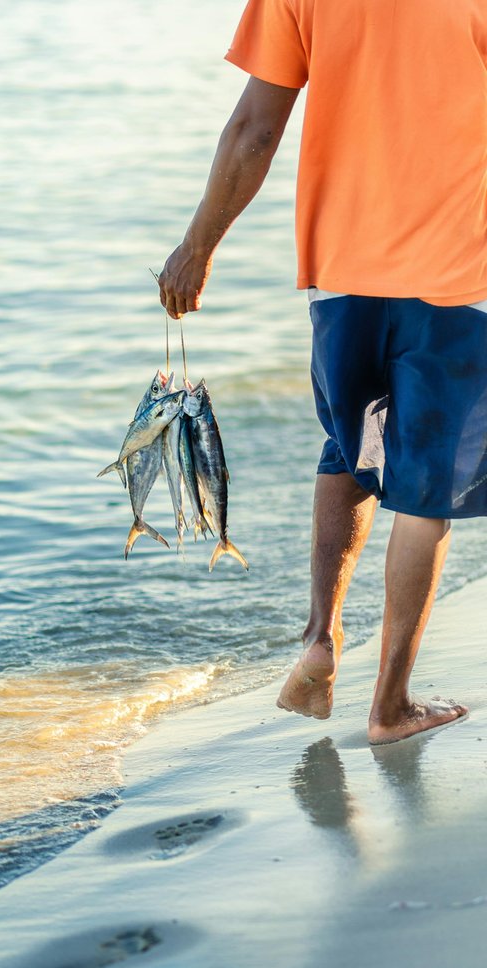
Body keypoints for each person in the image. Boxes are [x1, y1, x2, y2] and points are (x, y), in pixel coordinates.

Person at [158, 0, 487, 744]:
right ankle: (391, 706)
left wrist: (196, 247)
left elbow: (255, 128)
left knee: (350, 446)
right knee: (425, 487)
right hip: (456, 275)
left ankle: (319, 640)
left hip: (339, 272)